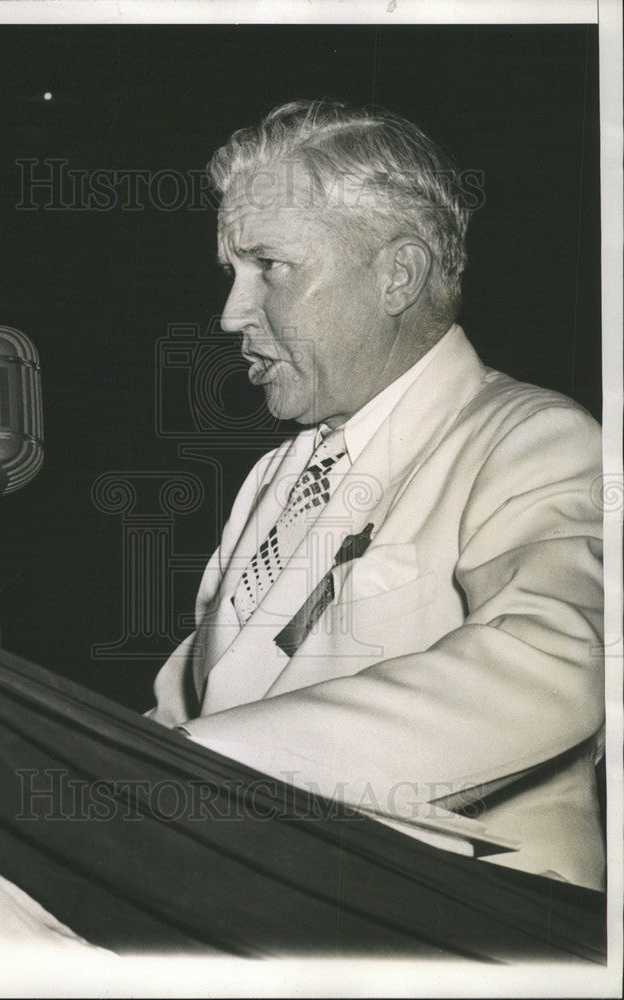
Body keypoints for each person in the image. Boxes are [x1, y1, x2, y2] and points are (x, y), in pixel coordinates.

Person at [147, 101, 605, 890]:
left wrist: (189, 776)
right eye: (232, 273)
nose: (230, 314)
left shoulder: (534, 437)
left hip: (472, 928)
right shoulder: (272, 477)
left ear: (397, 275)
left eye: (269, 268)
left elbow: (553, 665)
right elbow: (184, 712)